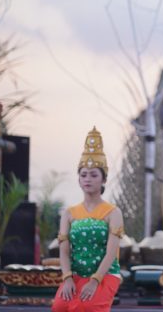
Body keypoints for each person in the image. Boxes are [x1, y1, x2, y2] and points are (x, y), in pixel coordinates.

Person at [52, 127, 123, 312]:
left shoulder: (113, 212)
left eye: (93, 175)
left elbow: (111, 253)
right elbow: (64, 251)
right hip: (75, 275)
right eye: (83, 175)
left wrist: (95, 280)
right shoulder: (69, 213)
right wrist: (67, 278)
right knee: (60, 306)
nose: (87, 179)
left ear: (103, 180)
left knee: (85, 307)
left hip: (105, 274)